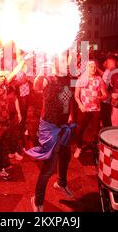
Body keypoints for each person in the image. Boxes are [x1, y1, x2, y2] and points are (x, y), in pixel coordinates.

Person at [25, 59, 76, 212]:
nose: (65, 65)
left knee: (66, 156)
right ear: (54, 66)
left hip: (63, 125)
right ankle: (37, 200)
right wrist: (41, 71)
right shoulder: (48, 79)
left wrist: (71, 114)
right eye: (61, 63)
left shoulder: (68, 78)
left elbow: (69, 98)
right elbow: (36, 86)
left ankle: (61, 183)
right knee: (49, 167)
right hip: (49, 127)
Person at [73, 60, 108, 159]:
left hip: (96, 110)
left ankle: (95, 149)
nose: (93, 68)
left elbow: (105, 95)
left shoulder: (99, 79)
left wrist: (99, 98)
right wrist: (80, 105)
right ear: (87, 68)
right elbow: (76, 96)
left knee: (96, 132)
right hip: (84, 109)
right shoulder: (81, 79)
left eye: (94, 67)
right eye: (90, 66)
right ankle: (79, 147)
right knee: (79, 130)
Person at [100, 55, 118, 128]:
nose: (107, 63)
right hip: (105, 99)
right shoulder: (108, 70)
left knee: (108, 118)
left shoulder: (116, 73)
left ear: (113, 63)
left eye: (108, 62)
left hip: (109, 100)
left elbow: (114, 88)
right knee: (105, 117)